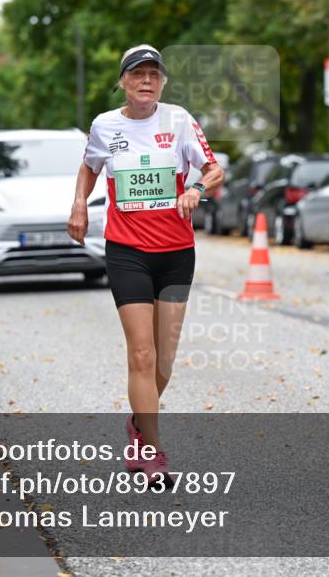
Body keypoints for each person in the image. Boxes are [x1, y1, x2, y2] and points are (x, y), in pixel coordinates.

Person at [67, 45, 225, 484]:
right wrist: (79, 205)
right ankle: (153, 454)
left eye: (155, 74)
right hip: (127, 250)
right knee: (141, 352)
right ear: (123, 81)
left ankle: (138, 427)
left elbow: (214, 169)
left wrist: (195, 187)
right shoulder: (105, 125)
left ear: (163, 82)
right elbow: (89, 167)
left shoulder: (178, 120)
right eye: (138, 74)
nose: (147, 81)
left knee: (163, 361)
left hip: (176, 252)